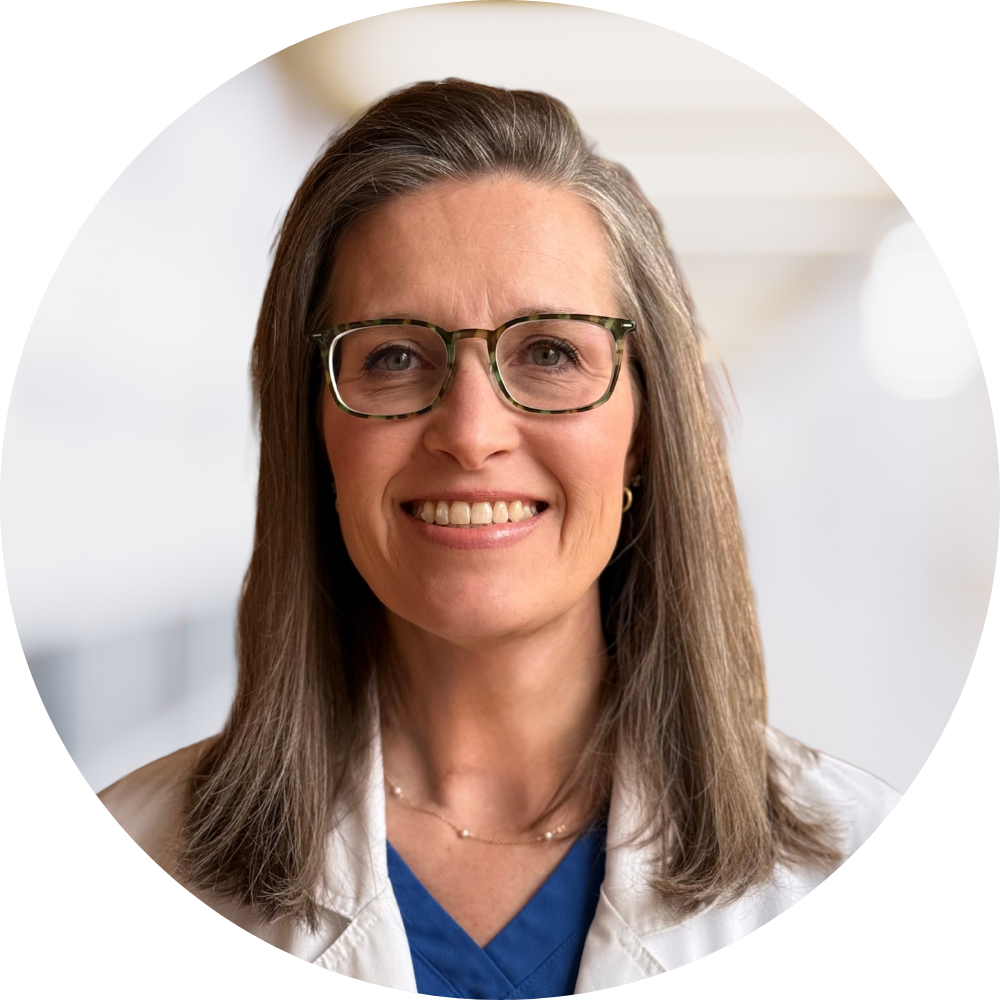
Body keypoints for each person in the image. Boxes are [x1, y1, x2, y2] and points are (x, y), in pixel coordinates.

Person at [99, 79, 901, 996]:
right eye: (395, 357)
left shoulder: (876, 870)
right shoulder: (128, 861)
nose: (472, 432)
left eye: (550, 352)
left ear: (644, 432)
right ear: (315, 431)